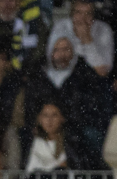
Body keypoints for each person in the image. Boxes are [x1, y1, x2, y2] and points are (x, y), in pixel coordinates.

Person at [28, 35, 110, 163]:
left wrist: (71, 122)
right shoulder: (38, 75)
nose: (61, 55)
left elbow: (94, 104)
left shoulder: (85, 73)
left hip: (79, 125)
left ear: (73, 52)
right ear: (50, 53)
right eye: (57, 50)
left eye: (66, 49)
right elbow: (31, 105)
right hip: (45, 125)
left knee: (91, 136)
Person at [22, 100, 93, 179]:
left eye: (54, 115)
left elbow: (79, 167)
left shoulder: (71, 141)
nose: (49, 120)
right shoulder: (31, 142)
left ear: (62, 118)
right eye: (45, 115)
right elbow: (27, 170)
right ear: (39, 119)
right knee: (35, 177)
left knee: (59, 173)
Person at [47, 0, 112, 76]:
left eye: (88, 13)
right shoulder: (61, 26)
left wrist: (87, 40)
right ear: (72, 13)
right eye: (78, 12)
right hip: (63, 78)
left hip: (93, 81)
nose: (83, 18)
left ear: (93, 15)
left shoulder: (103, 29)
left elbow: (103, 71)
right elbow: (53, 62)